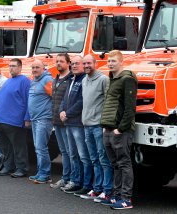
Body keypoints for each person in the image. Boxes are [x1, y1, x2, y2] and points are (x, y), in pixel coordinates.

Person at [100, 50, 137, 209]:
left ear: (121, 62)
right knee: (115, 164)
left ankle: (126, 199)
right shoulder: (112, 79)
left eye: (113, 61)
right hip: (108, 128)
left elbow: (130, 108)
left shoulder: (127, 79)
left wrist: (120, 129)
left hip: (120, 130)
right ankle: (116, 196)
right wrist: (105, 127)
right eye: (109, 61)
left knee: (124, 163)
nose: (110, 63)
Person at [80, 55, 113, 202]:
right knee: (94, 159)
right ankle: (97, 188)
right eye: (84, 63)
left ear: (95, 63)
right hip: (87, 126)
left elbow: (108, 101)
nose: (86, 65)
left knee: (104, 159)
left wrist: (106, 123)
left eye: (89, 63)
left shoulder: (103, 79)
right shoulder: (84, 80)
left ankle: (108, 191)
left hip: (98, 126)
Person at [0, 58, 30, 178]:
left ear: (20, 67)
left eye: (14, 66)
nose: (11, 68)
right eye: (10, 66)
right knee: (5, 147)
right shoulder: (8, 81)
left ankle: (21, 168)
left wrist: (27, 118)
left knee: (19, 146)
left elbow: (28, 100)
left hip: (14, 121)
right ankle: (8, 166)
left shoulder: (24, 81)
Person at [59, 55, 92, 195]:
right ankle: (75, 181)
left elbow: (82, 101)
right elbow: (65, 99)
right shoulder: (71, 79)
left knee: (83, 156)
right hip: (68, 123)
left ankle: (86, 184)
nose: (74, 66)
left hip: (78, 123)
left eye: (77, 64)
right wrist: (61, 110)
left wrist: (67, 113)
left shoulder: (84, 79)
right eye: (72, 64)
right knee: (73, 154)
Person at [27, 59, 54, 184]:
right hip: (35, 119)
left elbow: (55, 98)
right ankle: (40, 172)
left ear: (44, 68)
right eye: (33, 68)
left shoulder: (47, 80)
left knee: (41, 147)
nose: (34, 70)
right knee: (38, 148)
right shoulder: (34, 81)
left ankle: (45, 174)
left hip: (44, 119)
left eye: (37, 67)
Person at [50, 53, 73, 189]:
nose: (58, 63)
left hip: (67, 122)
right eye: (57, 61)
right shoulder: (56, 79)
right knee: (64, 151)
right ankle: (65, 178)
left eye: (61, 61)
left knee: (70, 152)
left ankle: (71, 179)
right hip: (56, 121)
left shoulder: (70, 79)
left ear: (68, 63)